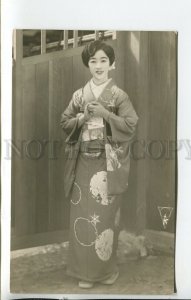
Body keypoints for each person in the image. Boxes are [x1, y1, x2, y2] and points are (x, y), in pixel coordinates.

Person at [60, 40, 138, 289]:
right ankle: (82, 271)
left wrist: (105, 114)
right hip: (83, 163)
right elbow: (65, 121)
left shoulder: (118, 95)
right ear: (88, 65)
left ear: (111, 64)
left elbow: (130, 124)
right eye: (93, 61)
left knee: (105, 220)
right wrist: (82, 117)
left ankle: (106, 271)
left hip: (108, 165)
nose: (98, 65)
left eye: (103, 60)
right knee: (81, 218)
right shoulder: (79, 95)